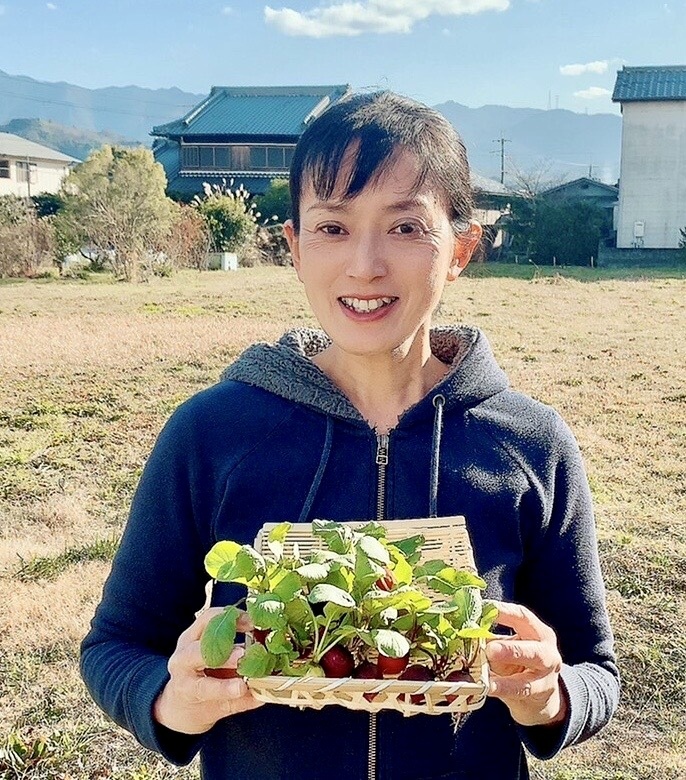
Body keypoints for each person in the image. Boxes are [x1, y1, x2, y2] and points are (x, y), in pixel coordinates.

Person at [81, 91, 619, 780]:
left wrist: (551, 694)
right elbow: (115, 646)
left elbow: (596, 670)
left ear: (461, 248)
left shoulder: (530, 444)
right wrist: (170, 700)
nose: (365, 265)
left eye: (404, 227)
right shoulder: (211, 434)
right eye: (333, 228)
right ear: (295, 248)